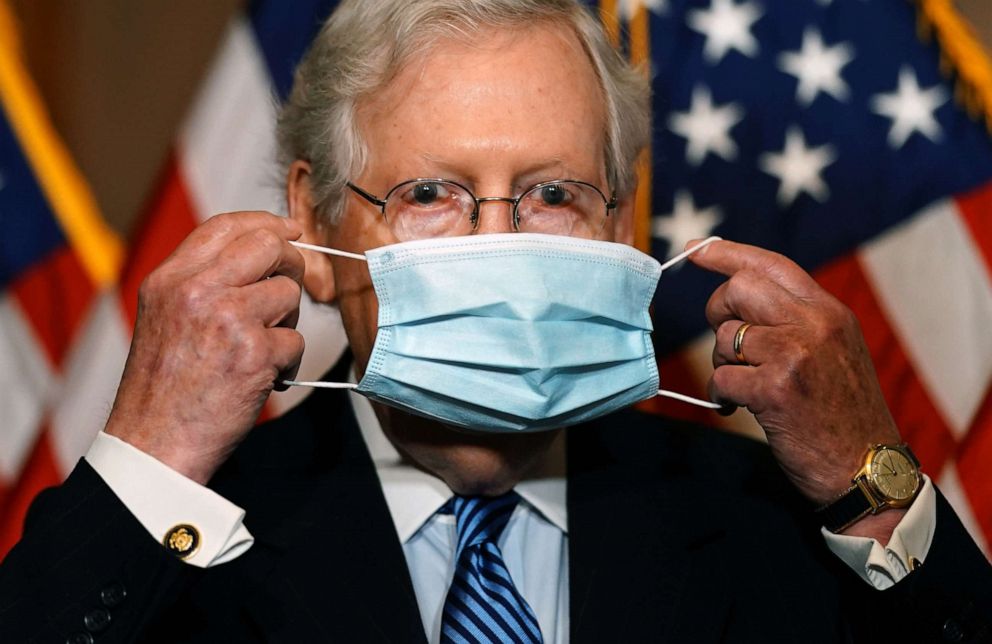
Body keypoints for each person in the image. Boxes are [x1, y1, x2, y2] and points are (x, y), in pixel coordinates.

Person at [1, 0, 990, 642]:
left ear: (620, 216)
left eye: (552, 191)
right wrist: (148, 458)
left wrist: (871, 479)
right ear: (311, 216)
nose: (499, 246)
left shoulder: (757, 521)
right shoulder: (177, 535)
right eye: (432, 190)